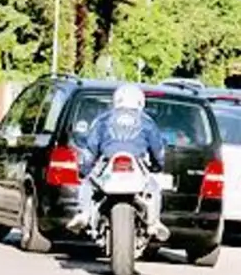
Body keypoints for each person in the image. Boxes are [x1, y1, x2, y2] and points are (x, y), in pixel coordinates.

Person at [68, 83, 169, 240]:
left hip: (108, 161)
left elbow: (91, 149)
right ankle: (154, 223)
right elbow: (158, 149)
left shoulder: (103, 119)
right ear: (140, 102)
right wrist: (159, 165)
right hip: (137, 162)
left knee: (88, 183)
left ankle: (84, 213)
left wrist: (84, 170)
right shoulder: (147, 121)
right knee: (154, 186)